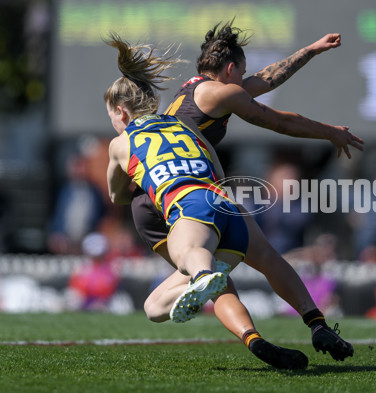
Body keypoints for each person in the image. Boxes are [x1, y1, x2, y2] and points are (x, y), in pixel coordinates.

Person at [135, 21, 360, 361]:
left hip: (153, 200)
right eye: (242, 73)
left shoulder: (193, 92)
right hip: (186, 197)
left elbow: (267, 78)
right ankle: (315, 323)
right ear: (230, 69)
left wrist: (311, 50)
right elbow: (279, 121)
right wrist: (331, 132)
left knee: (216, 276)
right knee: (259, 258)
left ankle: (255, 340)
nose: (246, 81)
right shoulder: (220, 93)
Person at [104, 33, 309, 370]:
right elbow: (215, 167)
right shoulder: (185, 126)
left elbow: (117, 195)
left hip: (190, 206)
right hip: (228, 215)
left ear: (122, 114)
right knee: (154, 308)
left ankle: (202, 276)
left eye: (112, 116)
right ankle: (240, 310)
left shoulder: (121, 143)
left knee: (190, 254)